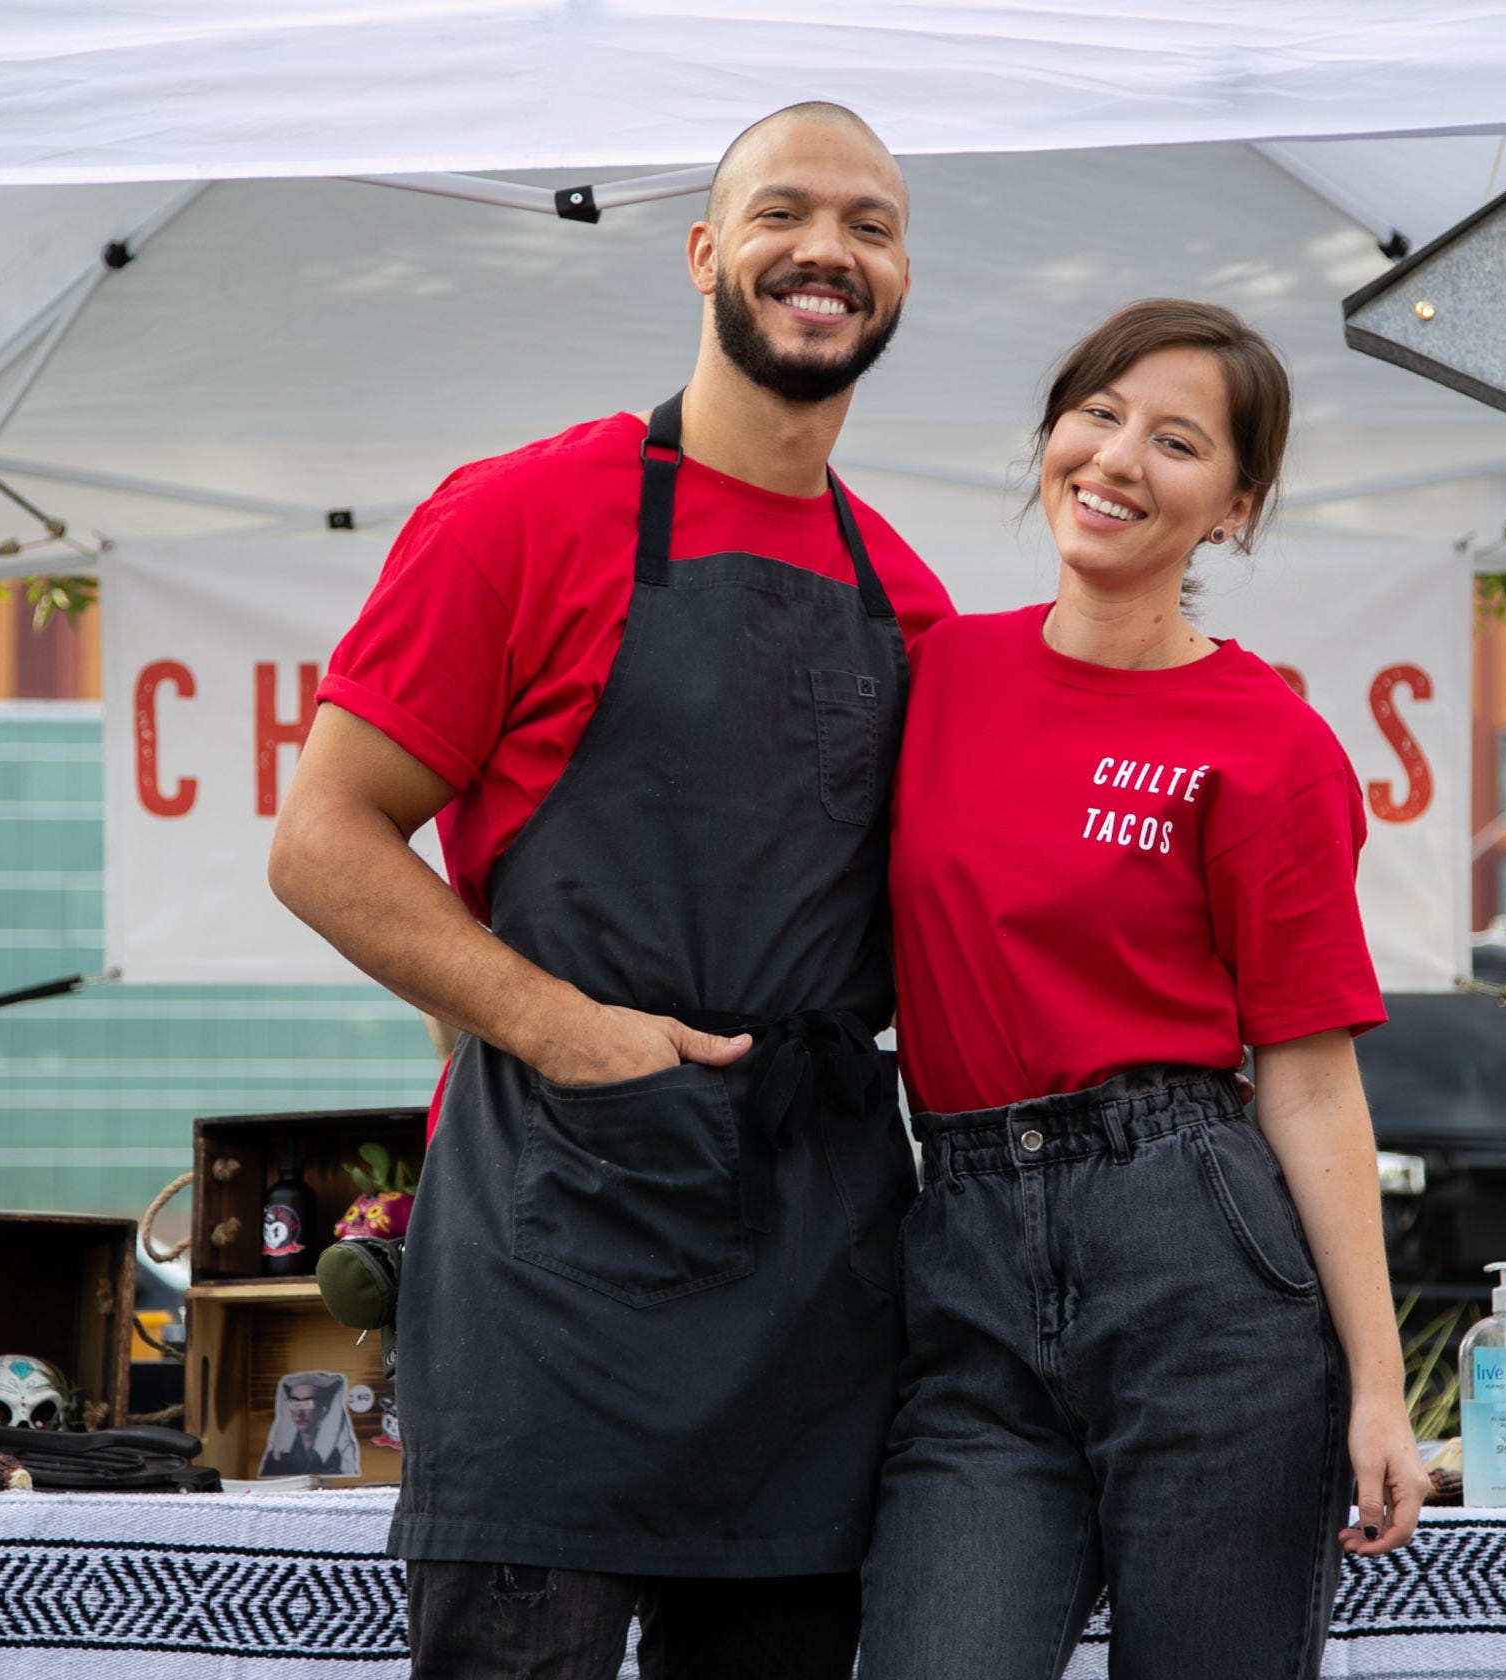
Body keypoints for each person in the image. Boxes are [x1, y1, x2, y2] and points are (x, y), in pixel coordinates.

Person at [268, 102, 953, 1680]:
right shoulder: (523, 513)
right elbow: (326, 840)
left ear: (901, 280)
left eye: (871, 225)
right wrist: (560, 1028)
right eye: (785, 213)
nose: (826, 252)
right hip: (554, 1252)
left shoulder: (908, 601)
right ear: (708, 253)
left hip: (814, 1285)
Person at [857, 299, 1426, 1680]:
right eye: (1097, 416)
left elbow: (1306, 1074)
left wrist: (1378, 1383)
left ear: (1234, 506)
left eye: (1176, 442)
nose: (1116, 459)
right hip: (968, 1244)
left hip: (1198, 1251)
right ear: (1051, 438)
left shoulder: (1271, 746)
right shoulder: (936, 675)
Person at [259, 1370, 360, 1478]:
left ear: (324, 1409)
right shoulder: (277, 1457)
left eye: (308, 1403)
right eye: (295, 1403)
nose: (300, 1413)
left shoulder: (338, 1455)